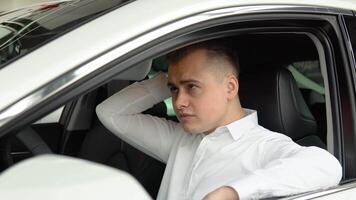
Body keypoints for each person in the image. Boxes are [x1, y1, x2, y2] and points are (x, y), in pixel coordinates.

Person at [96, 40, 342, 200]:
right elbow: (110, 113)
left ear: (230, 87)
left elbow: (327, 167)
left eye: (192, 87)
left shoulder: (262, 147)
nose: (179, 102)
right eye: (174, 90)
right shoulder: (180, 139)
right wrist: (165, 80)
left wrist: (233, 192)